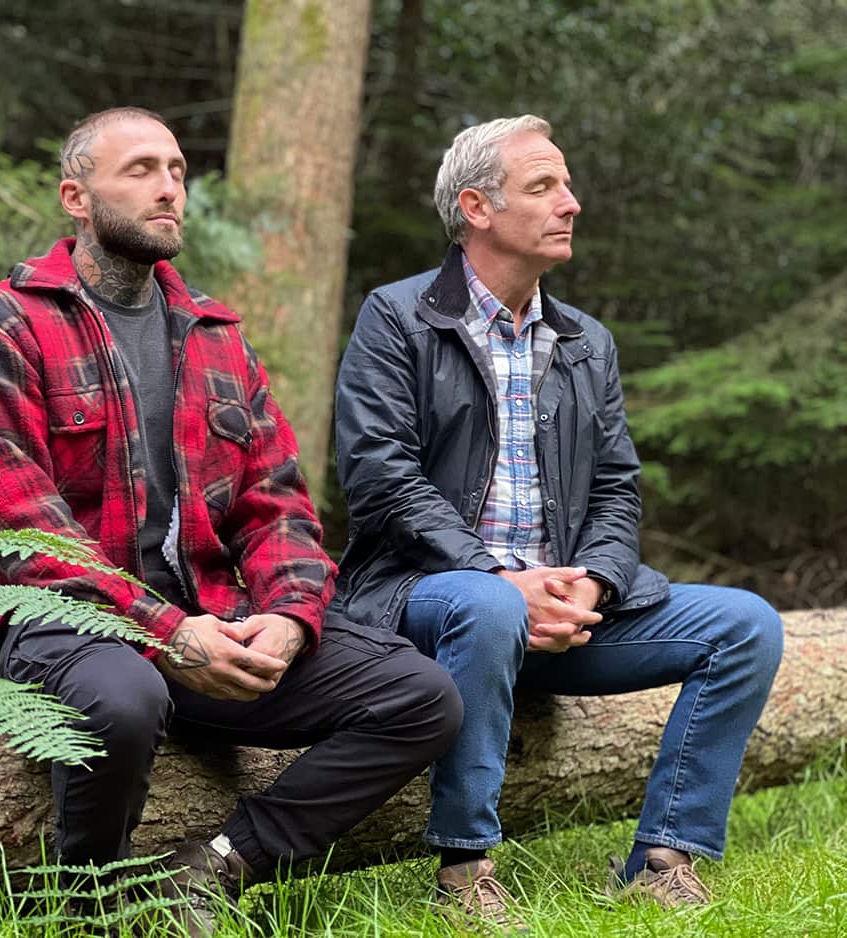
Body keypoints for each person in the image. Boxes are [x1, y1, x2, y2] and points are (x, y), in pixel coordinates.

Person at [0, 106, 462, 936]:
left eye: (177, 170)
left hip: (208, 621)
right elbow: (24, 529)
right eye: (140, 169)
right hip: (51, 620)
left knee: (422, 696)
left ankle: (216, 865)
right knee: (125, 700)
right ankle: (83, 908)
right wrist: (165, 632)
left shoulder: (213, 334)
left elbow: (278, 502)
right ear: (76, 198)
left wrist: (289, 619)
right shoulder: (3, 326)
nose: (168, 187)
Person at [332, 114, 783, 929]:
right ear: (476, 206)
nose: (570, 202)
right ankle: (464, 872)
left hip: (564, 609)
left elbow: (617, 485)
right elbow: (381, 480)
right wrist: (501, 577)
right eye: (544, 186)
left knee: (746, 624)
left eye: (566, 184)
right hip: (425, 600)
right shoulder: (397, 319)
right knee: (489, 604)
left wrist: (595, 579)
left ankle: (662, 858)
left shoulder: (585, 341)